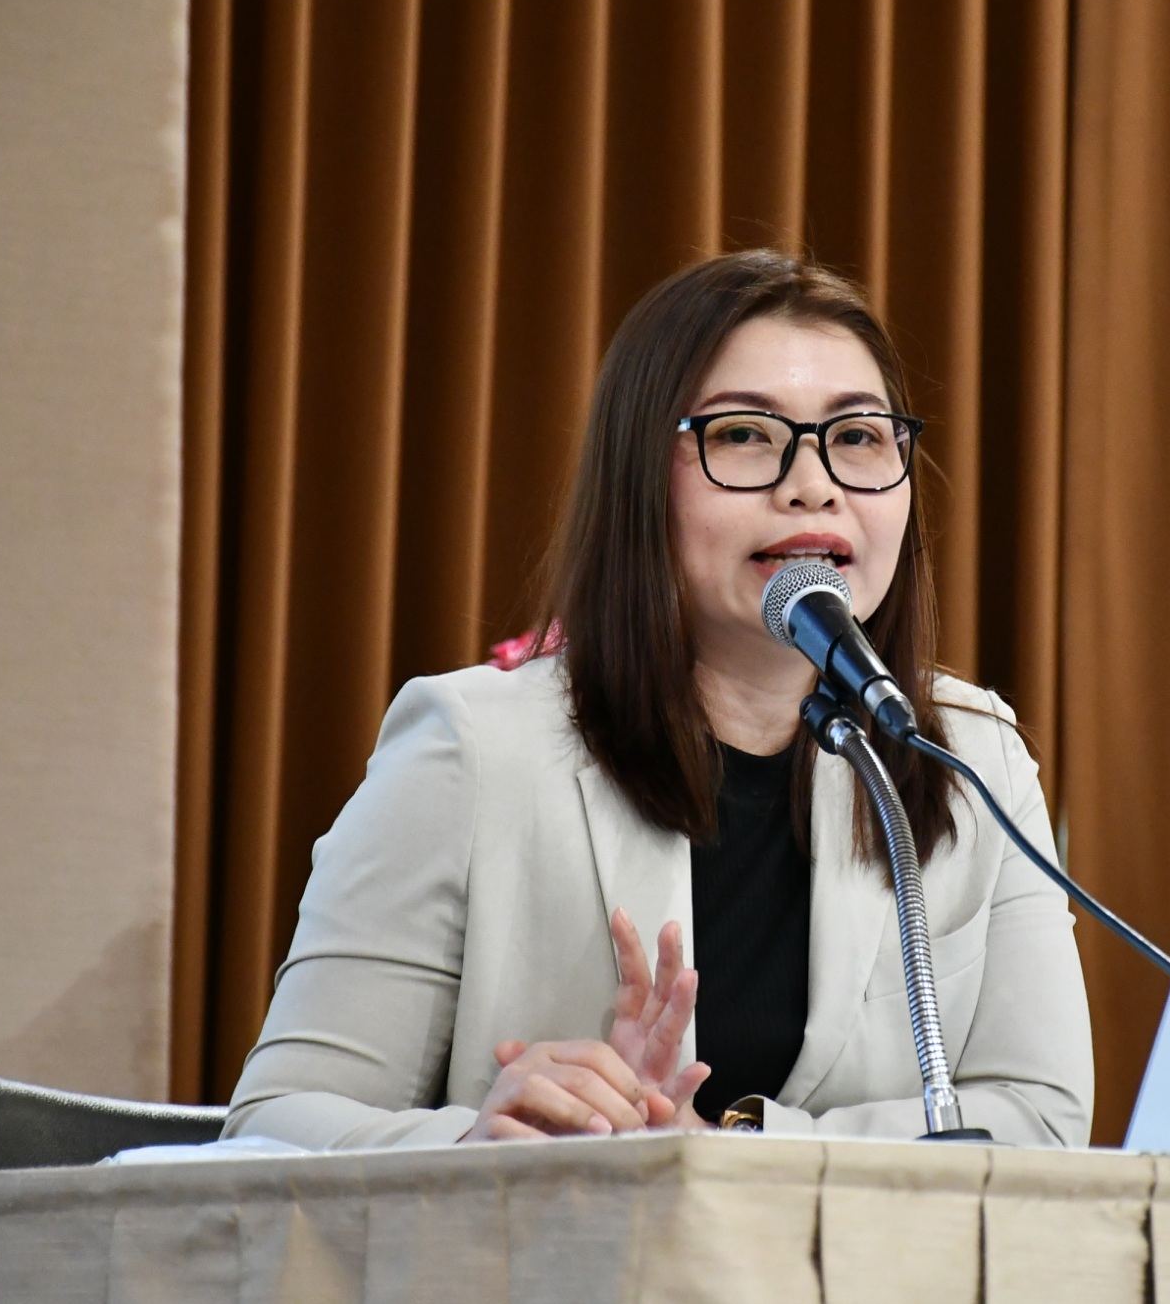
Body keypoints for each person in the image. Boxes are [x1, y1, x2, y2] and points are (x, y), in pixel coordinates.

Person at [225, 250, 1091, 1147]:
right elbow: (275, 1123)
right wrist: (479, 1147)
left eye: (859, 437)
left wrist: (732, 1145)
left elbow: (1040, 1119)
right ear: (642, 474)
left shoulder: (972, 756)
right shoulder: (471, 748)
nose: (813, 484)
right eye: (745, 434)